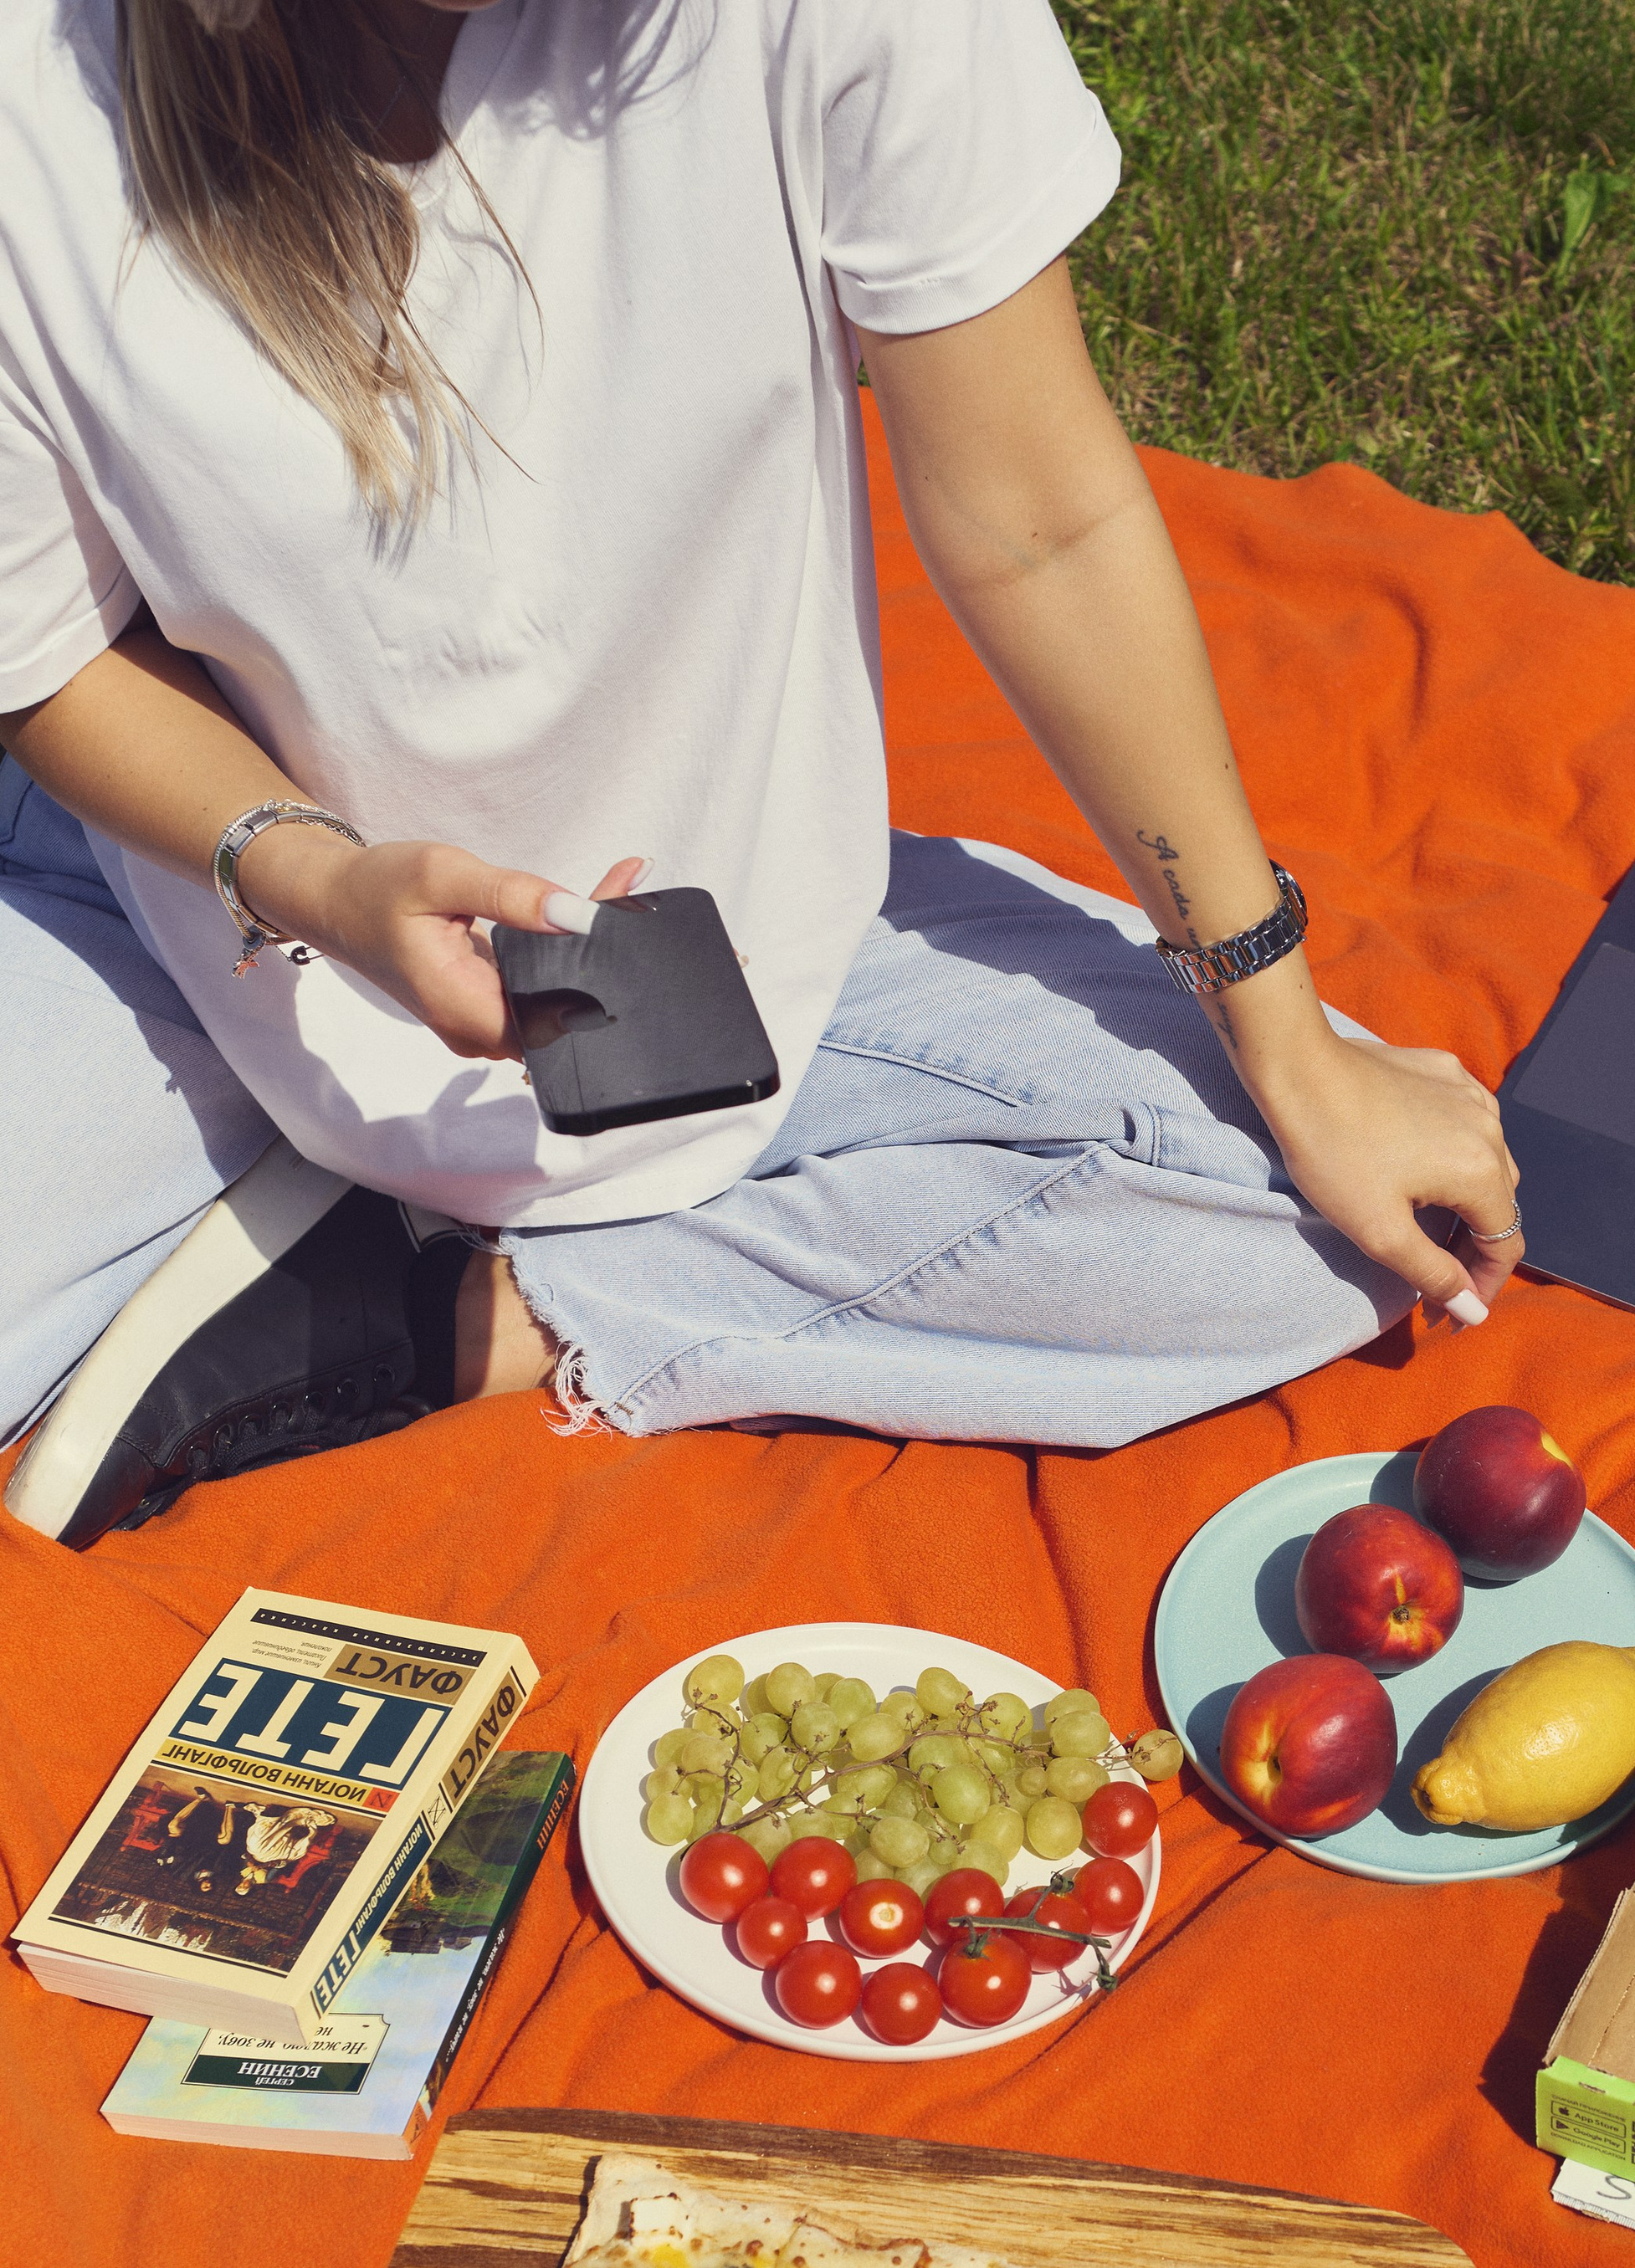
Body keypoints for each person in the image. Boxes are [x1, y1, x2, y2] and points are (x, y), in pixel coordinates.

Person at [0, 0, 1523, 1552]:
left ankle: (436, 1306)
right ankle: (355, 1200)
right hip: (193, 897)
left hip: (719, 953)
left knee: (1300, 1231)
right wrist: (315, 874)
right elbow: (50, 653)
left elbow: (1038, 520)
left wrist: (1282, 1029)